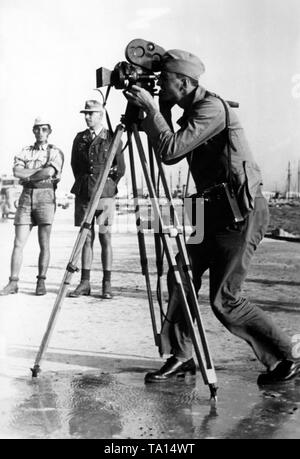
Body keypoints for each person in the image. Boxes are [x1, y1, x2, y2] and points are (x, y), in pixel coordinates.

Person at [124, 49, 300, 386]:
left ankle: (285, 356)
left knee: (225, 299)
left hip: (238, 211)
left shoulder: (211, 109)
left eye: (165, 82)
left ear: (186, 83)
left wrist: (151, 109)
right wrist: (155, 109)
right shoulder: (189, 110)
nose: (159, 86)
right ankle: (181, 355)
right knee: (180, 276)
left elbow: (172, 149)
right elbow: (170, 154)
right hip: (206, 210)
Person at [0, 117, 64, 296]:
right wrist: (36, 174)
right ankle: (13, 282)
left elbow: (49, 172)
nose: (40, 132)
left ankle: (41, 281)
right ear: (33, 130)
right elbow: (16, 171)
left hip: (46, 196)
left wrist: (28, 176)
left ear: (49, 131)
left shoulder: (55, 152)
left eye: (44, 129)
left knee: (44, 243)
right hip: (26, 196)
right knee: (18, 243)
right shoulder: (25, 151)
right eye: (37, 129)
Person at [69, 100, 125, 299]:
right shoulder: (80, 138)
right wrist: (86, 183)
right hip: (85, 193)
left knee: (105, 237)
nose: (87, 117)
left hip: (105, 193)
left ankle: (106, 284)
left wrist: (107, 183)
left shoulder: (112, 137)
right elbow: (75, 165)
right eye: (85, 113)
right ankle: (84, 283)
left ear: (101, 115)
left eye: (91, 113)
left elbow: (120, 168)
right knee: (86, 239)